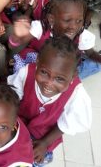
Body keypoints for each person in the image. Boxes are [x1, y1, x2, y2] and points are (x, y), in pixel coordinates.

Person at [8, 36, 92, 166]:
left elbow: (66, 124)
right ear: (37, 62)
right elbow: (13, 98)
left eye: (59, 79)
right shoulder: (26, 73)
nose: (49, 83)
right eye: (44, 72)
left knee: (33, 160)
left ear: (73, 75)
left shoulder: (76, 94)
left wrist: (45, 143)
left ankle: (45, 153)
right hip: (20, 124)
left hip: (44, 136)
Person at [10, 0, 101, 79]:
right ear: (51, 19)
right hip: (39, 64)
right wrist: (16, 37)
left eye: (79, 21)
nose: (73, 27)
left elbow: (90, 53)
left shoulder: (81, 36)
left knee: (83, 69)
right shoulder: (41, 28)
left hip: (62, 70)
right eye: (67, 20)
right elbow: (13, 46)